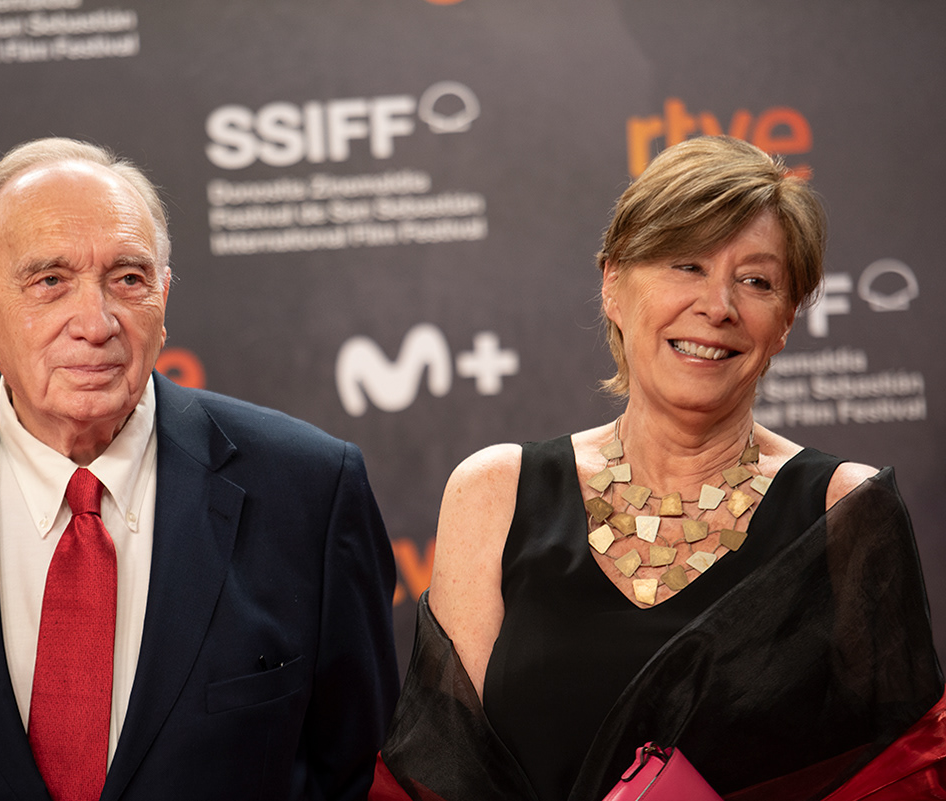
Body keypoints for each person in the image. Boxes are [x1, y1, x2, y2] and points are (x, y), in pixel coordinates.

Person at [0, 137, 399, 801]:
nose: (96, 323)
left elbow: (363, 779)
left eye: (127, 279)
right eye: (50, 281)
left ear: (163, 297)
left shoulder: (311, 494)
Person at [371, 136, 946, 801]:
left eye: (757, 281)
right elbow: (442, 775)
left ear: (786, 321)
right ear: (613, 285)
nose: (718, 305)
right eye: (687, 265)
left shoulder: (845, 509)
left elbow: (902, 780)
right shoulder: (494, 492)